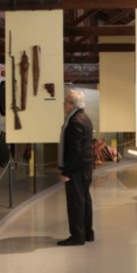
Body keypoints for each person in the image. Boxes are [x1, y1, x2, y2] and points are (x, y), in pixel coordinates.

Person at [58, 88, 95, 246]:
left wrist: (66, 171)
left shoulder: (74, 121)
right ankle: (87, 233)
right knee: (84, 200)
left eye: (66, 101)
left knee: (76, 203)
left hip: (77, 169)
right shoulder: (84, 118)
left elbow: (74, 150)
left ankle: (77, 236)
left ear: (72, 104)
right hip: (84, 167)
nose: (63, 104)